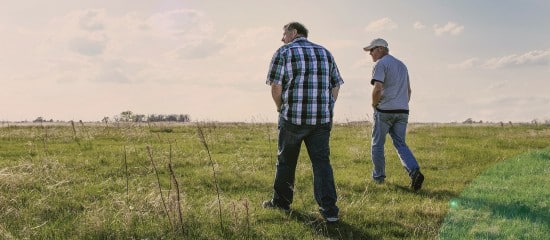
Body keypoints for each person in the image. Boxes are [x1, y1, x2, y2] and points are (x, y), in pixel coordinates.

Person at [263, 22, 344, 223]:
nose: (282, 39)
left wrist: (280, 108)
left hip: (292, 118)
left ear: (294, 32)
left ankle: (281, 202)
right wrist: (327, 107)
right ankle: (329, 211)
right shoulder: (326, 52)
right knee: (322, 163)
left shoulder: (284, 52)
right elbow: (336, 86)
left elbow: (275, 87)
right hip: (321, 120)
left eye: (284, 34)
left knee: (286, 162)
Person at [363, 38, 424, 191]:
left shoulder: (380, 64)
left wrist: (374, 105)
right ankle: (414, 171)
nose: (370, 54)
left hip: (384, 111)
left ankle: (378, 178)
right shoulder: (402, 65)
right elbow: (409, 91)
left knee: (377, 144)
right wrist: (402, 104)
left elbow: (377, 88)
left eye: (371, 50)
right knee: (400, 144)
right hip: (403, 110)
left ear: (380, 49)